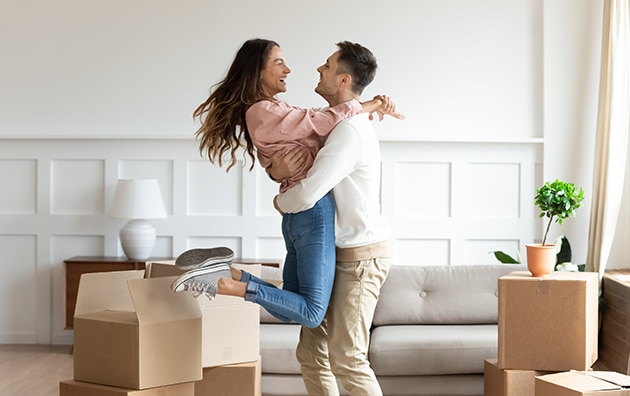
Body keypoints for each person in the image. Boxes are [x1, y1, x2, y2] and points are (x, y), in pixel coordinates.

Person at [170, 38, 400, 329]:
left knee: (287, 306)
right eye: (279, 62)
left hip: (301, 218)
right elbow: (321, 120)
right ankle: (225, 284)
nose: (288, 69)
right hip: (312, 213)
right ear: (257, 72)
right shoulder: (264, 110)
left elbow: (312, 131)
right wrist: (368, 104)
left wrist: (368, 106)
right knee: (312, 313)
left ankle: (227, 272)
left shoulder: (273, 110)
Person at [270, 41, 397, 396]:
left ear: (343, 79)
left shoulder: (348, 132)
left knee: (348, 358)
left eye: (326, 65)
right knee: (311, 354)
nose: (318, 70)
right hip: (333, 254)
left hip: (359, 259)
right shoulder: (339, 123)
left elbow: (308, 192)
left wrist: (280, 202)